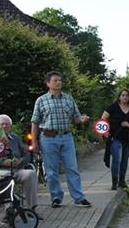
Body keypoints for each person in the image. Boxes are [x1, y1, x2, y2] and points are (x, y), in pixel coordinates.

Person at [30, 71, 92, 208]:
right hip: (48, 137)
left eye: (60, 80)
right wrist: (34, 142)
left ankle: (79, 197)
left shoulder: (69, 99)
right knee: (51, 170)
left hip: (66, 136)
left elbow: (76, 117)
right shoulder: (41, 100)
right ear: (48, 83)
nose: (58, 82)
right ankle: (56, 197)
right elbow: (35, 122)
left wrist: (82, 119)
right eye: (55, 80)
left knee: (72, 168)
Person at [0, 114, 42, 220]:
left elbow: (26, 155)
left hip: (17, 169)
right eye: (1, 124)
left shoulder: (15, 139)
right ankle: (9, 211)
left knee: (30, 174)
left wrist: (20, 161)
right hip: (0, 171)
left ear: (10, 127)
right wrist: (3, 162)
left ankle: (31, 209)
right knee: (6, 177)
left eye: (6, 124)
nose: (4, 126)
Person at [101, 89, 129, 190]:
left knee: (124, 160)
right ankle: (114, 182)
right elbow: (103, 119)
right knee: (116, 159)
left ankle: (122, 181)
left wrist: (128, 125)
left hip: (127, 138)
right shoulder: (113, 107)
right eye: (123, 95)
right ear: (119, 96)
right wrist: (105, 131)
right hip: (115, 138)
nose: (125, 97)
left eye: (127, 95)